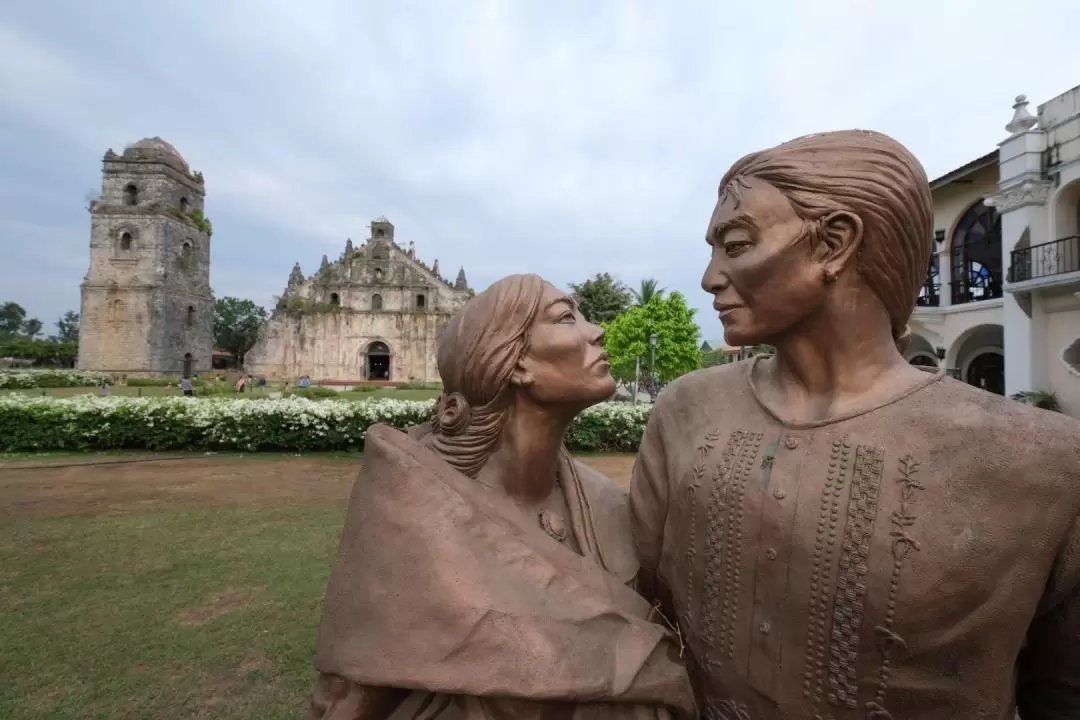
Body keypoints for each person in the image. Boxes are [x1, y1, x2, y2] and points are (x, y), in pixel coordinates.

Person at [629, 130, 1080, 720]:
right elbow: (637, 606)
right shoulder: (687, 411)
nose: (710, 278)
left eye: (736, 245)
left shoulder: (1045, 462)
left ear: (834, 244)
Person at [310, 274, 695, 720]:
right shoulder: (414, 511)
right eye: (567, 318)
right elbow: (354, 697)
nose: (596, 330)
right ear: (513, 363)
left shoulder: (605, 506)